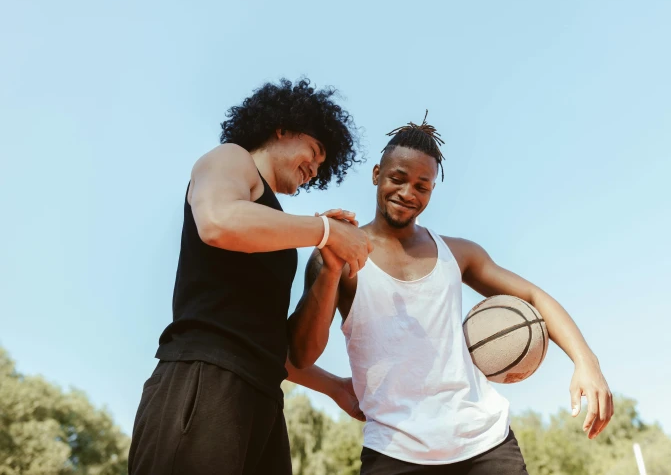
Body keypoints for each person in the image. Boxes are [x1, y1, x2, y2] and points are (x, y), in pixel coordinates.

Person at [288, 112, 614, 474]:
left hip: (485, 443)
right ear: (377, 174)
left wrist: (586, 362)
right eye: (397, 178)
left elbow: (534, 297)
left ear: (431, 190)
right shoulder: (339, 253)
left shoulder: (458, 254)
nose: (407, 193)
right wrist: (331, 271)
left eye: (421, 186)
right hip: (394, 450)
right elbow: (300, 353)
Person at [129, 78, 373, 475]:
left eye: (323, 165)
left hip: (262, 400)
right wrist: (325, 231)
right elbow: (218, 220)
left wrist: (335, 386)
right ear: (282, 128)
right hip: (205, 377)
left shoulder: (276, 226)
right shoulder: (230, 158)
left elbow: (282, 347)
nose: (315, 168)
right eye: (315, 151)